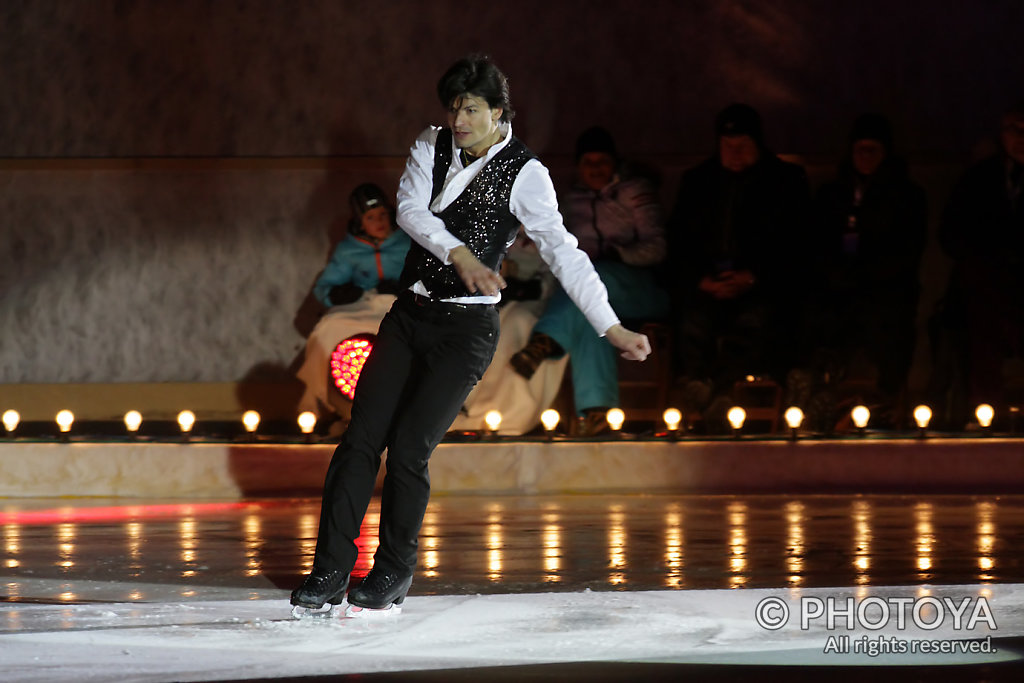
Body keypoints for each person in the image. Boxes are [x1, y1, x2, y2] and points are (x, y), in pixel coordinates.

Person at [290, 55, 650, 616]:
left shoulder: (527, 174)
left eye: (471, 109)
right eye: (453, 107)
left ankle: (391, 573)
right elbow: (409, 209)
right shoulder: (430, 144)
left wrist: (611, 324)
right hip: (408, 317)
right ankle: (330, 569)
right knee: (360, 440)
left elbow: (562, 250)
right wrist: (458, 253)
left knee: (409, 449)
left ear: (499, 112)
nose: (458, 119)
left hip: (465, 332)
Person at [509, 126, 669, 435]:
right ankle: (598, 415)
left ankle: (546, 340)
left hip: (638, 287)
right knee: (590, 316)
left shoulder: (635, 193)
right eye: (588, 163)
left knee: (589, 282)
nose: (595, 169)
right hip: (594, 294)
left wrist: (618, 254)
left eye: (602, 162)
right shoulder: (571, 201)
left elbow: (657, 247)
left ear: (614, 163)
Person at [666, 103, 809, 429]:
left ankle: (719, 391)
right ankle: (700, 388)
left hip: (761, 285)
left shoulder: (785, 181)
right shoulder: (698, 181)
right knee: (693, 322)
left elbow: (796, 246)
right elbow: (679, 244)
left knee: (755, 324)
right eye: (728, 146)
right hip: (708, 283)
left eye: (743, 146)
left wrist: (753, 277)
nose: (735, 153)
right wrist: (702, 281)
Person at [792, 114, 927, 430]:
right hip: (837, 287)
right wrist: (837, 275)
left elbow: (908, 250)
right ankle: (818, 391)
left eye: (873, 150)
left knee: (886, 323)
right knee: (812, 315)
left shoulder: (907, 195)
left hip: (885, 288)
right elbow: (817, 244)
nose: (866, 157)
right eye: (860, 149)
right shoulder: (832, 194)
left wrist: (867, 276)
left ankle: (883, 398)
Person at [934, 100, 1024, 426]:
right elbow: (951, 235)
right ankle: (986, 415)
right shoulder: (979, 179)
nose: (1021, 138)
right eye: (1014, 130)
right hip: (986, 287)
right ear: (1001, 135)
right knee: (978, 328)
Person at [294, 184, 410, 418]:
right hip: (360, 307)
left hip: (399, 305)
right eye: (370, 217)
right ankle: (320, 400)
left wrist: (404, 287)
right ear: (360, 221)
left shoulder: (408, 242)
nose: (379, 222)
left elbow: (427, 275)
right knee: (326, 330)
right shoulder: (348, 250)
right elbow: (324, 287)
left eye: (382, 215)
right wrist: (338, 293)